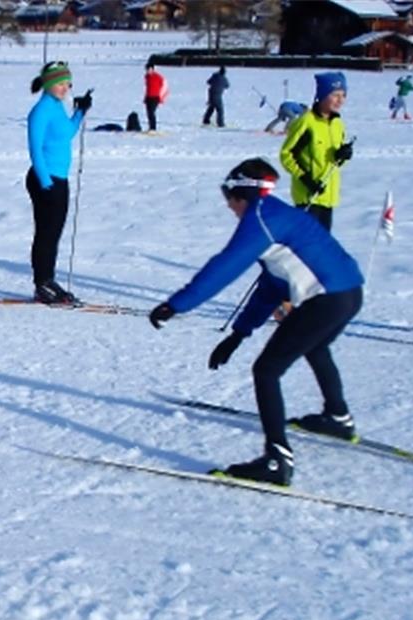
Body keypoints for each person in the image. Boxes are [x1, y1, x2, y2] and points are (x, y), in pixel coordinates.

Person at [147, 158, 364, 487]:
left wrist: (176, 305)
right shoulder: (275, 214)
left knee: (267, 371)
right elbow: (271, 286)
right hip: (348, 293)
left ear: (241, 192)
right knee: (316, 346)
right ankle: (338, 417)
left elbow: (225, 266)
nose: (228, 206)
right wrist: (239, 334)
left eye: (228, 196)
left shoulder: (261, 217)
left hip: (326, 300)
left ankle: (277, 460)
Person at [25, 61, 90, 305]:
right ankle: (42, 284)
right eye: (61, 83)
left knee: (54, 235)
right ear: (50, 84)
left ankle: (48, 280)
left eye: (68, 84)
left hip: (59, 179)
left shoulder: (57, 107)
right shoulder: (41, 110)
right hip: (45, 180)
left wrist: (81, 112)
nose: (65, 88)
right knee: (45, 234)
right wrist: (45, 182)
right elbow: (35, 149)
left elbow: (67, 134)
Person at [279, 72, 351, 232]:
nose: (340, 100)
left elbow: (335, 160)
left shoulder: (337, 123)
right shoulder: (305, 122)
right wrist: (306, 180)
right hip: (308, 196)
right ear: (322, 95)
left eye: (343, 95)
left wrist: (343, 155)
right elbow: (286, 154)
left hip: (328, 195)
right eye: (335, 95)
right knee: (306, 246)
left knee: (323, 245)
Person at [143, 63, 167, 132]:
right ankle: (150, 127)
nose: (148, 71)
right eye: (147, 69)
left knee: (151, 112)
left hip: (155, 97)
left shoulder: (158, 77)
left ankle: (153, 128)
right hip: (148, 97)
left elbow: (164, 87)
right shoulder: (147, 77)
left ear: (153, 69)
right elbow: (148, 88)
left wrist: (161, 97)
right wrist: (145, 97)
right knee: (148, 113)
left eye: (149, 69)